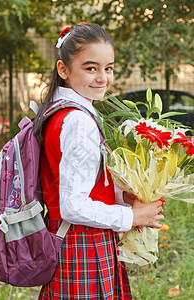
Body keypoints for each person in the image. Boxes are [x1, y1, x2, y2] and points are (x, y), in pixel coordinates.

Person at [34, 22, 164, 300]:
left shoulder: (58, 112)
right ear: (63, 70)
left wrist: (119, 194)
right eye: (90, 68)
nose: (103, 78)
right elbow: (73, 205)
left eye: (109, 68)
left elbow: (72, 184)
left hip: (71, 238)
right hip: (83, 241)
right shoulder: (78, 121)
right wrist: (132, 216)